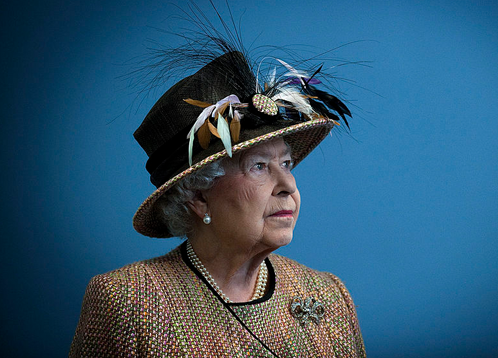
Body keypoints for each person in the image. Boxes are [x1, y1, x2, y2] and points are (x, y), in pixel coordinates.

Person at [69, 22, 365, 358]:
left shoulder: (328, 296)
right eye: (259, 167)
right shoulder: (129, 301)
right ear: (198, 196)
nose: (288, 186)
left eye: (286, 164)